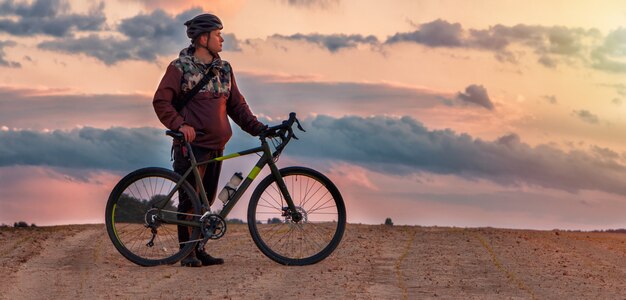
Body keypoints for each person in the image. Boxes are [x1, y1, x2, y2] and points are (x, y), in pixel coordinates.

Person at [153, 13, 267, 267]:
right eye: (218, 34)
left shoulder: (223, 69)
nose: (222, 39)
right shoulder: (179, 67)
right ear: (203, 38)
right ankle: (187, 254)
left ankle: (199, 248)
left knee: (207, 200)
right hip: (191, 146)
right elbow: (161, 101)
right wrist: (180, 125)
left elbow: (237, 106)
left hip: (217, 145)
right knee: (190, 199)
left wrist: (259, 128)